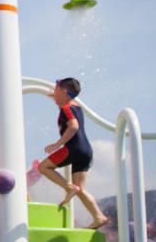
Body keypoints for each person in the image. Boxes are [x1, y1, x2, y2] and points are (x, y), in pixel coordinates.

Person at [37, 78, 108, 229]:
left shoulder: (66, 108)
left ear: (63, 92)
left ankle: (68, 187)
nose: (53, 94)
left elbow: (73, 126)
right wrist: (56, 97)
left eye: (55, 91)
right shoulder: (75, 106)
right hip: (86, 151)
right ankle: (99, 217)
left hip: (74, 148)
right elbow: (66, 106)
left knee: (43, 167)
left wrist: (58, 144)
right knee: (80, 188)